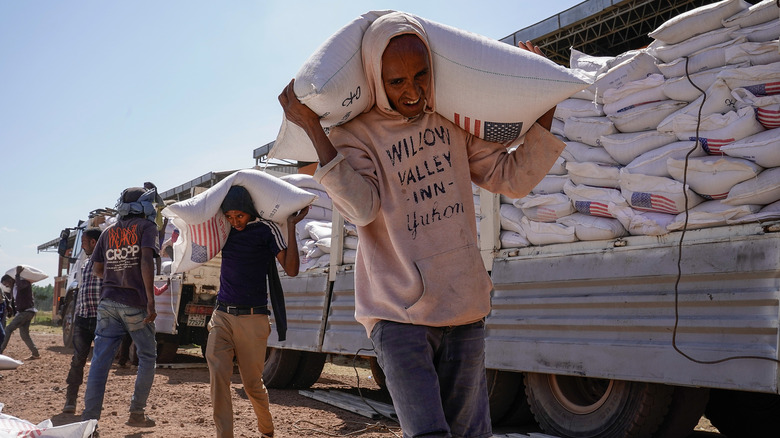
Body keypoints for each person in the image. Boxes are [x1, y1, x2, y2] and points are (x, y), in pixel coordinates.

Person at [279, 12, 565, 438]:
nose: (412, 91)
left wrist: (546, 97)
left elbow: (512, 178)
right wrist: (314, 131)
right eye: (397, 82)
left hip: (463, 305)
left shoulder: (451, 123)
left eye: (421, 75)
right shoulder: (354, 136)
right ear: (376, 77)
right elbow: (361, 208)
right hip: (397, 314)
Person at [206, 184, 307, 438]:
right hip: (222, 315)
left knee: (252, 385)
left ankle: (267, 430)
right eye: (229, 216)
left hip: (253, 318)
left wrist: (292, 227)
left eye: (239, 215)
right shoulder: (223, 231)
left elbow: (292, 269)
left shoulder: (265, 230)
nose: (235, 221)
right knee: (218, 375)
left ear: (250, 211)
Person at [81, 186, 160, 427]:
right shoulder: (148, 228)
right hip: (134, 302)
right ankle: (137, 413)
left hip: (108, 303)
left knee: (100, 362)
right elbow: (146, 261)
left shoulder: (107, 233)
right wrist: (150, 301)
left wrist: (116, 275)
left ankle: (89, 421)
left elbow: (97, 269)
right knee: (147, 355)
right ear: (145, 206)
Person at [63, 228, 103, 413]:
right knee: (78, 359)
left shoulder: (107, 263)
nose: (83, 246)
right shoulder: (86, 263)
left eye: (84, 243)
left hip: (100, 319)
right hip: (82, 318)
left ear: (94, 243)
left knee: (99, 363)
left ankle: (92, 404)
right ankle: (70, 400)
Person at [0, 266, 40, 360]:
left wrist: (17, 275)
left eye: (6, 283)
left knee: (8, 329)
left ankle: (0, 351)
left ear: (10, 279)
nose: (6, 286)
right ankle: (36, 354)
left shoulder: (23, 283)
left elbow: (21, 286)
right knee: (24, 334)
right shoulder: (14, 288)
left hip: (26, 312)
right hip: (24, 313)